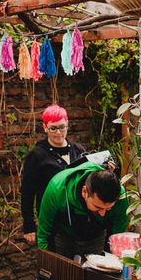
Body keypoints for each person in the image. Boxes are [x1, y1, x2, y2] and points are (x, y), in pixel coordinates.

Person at [36, 155, 129, 258]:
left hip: (97, 237)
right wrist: (47, 262)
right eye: (98, 207)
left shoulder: (121, 196)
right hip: (65, 238)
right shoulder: (57, 189)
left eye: (108, 208)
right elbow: (43, 235)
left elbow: (118, 236)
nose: (103, 214)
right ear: (84, 191)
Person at [20, 104, 86, 246]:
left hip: (78, 220)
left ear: (67, 124)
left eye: (62, 127)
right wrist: (29, 225)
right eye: (53, 128)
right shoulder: (37, 155)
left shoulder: (78, 150)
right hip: (51, 220)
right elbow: (27, 192)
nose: (58, 133)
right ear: (45, 128)